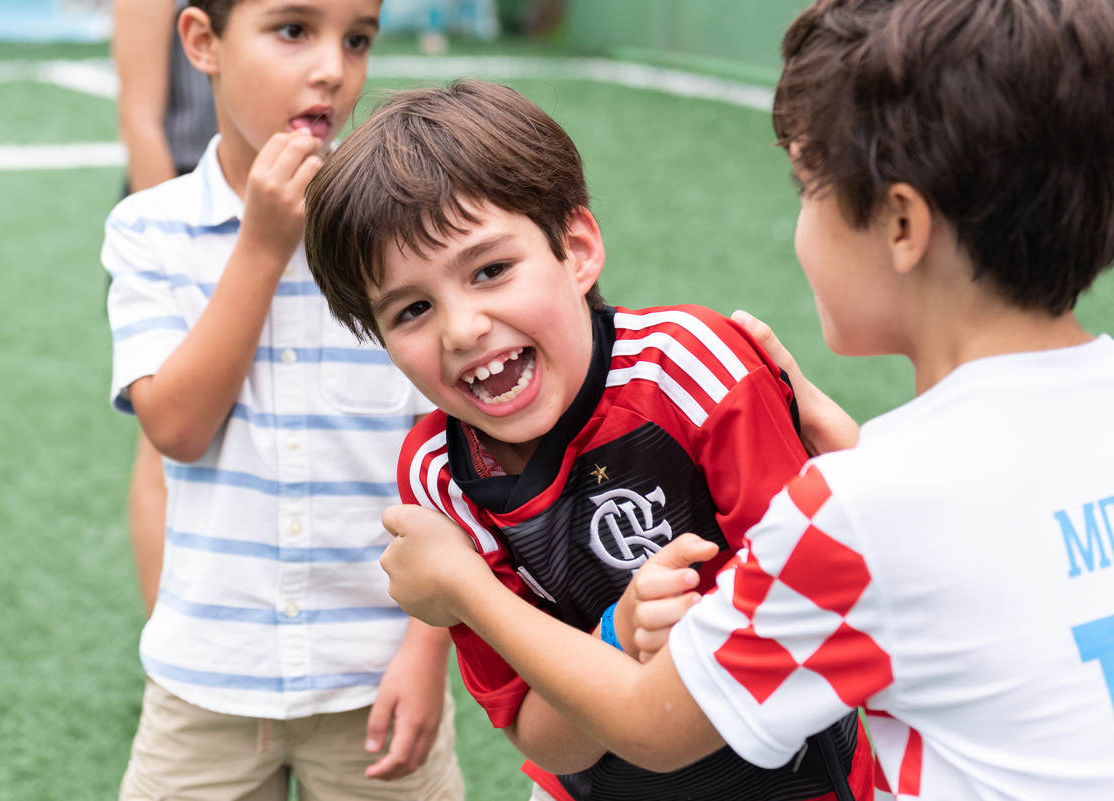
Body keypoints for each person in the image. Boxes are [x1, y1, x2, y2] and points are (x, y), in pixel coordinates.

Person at [377, 0, 1114, 798]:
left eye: (806, 187)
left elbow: (650, 726)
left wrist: (463, 588)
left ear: (900, 222)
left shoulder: (860, 509)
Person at [303, 80, 874, 801]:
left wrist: (475, 593)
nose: (462, 327)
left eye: (490, 270)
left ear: (576, 249)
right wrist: (616, 635)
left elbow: (809, 634)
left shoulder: (691, 369)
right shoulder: (437, 475)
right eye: (412, 308)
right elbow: (539, 733)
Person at [102, 0, 464, 797]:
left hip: (375, 681)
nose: (334, 67)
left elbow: (450, 461)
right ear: (203, 43)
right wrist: (263, 243)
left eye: (358, 39)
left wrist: (426, 647)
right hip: (205, 686)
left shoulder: (399, 238)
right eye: (294, 30)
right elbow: (178, 428)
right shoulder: (147, 230)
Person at [111, 0, 221, 615]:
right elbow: (140, 119)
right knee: (165, 448)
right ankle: (169, 639)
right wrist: (177, 251)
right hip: (183, 208)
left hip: (284, 204)